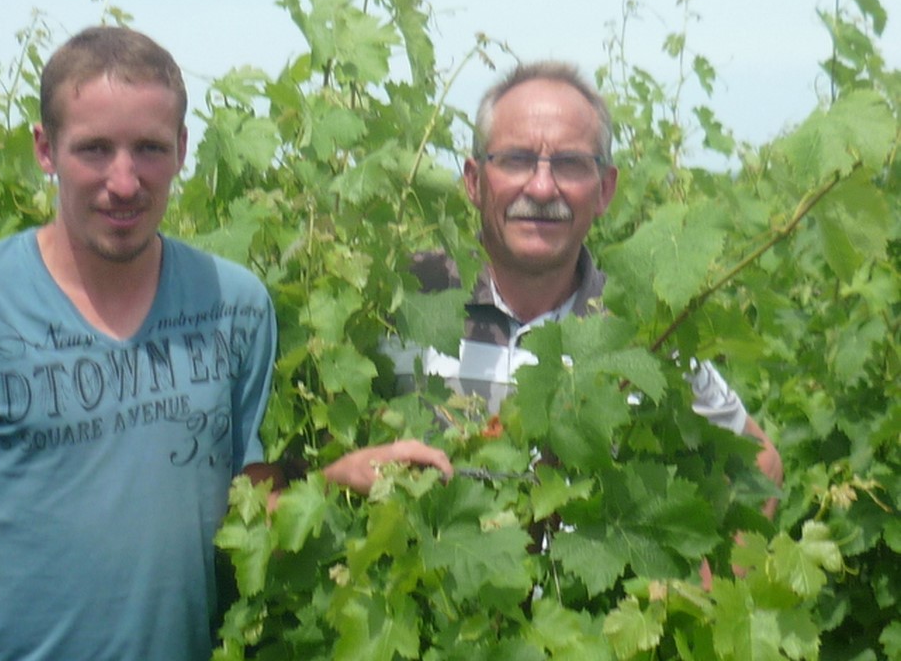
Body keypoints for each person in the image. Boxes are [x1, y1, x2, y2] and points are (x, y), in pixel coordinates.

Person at [0, 26, 279, 660]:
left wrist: (340, 482)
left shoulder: (234, 307)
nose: (125, 181)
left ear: (184, 149)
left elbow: (248, 509)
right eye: (95, 150)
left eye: (150, 149)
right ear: (45, 149)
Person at [332, 60, 782, 514]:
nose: (543, 188)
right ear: (473, 181)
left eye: (570, 164)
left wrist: (701, 585)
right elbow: (286, 484)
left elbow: (759, 465)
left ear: (604, 190)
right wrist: (339, 477)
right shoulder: (397, 301)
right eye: (516, 160)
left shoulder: (641, 328)